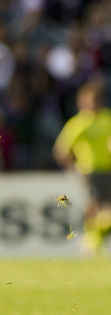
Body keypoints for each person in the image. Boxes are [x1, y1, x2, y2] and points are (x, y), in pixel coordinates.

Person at [53, 77, 111, 254]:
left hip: (108, 169)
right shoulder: (78, 124)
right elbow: (61, 150)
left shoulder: (106, 119)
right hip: (90, 170)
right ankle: (93, 240)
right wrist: (73, 168)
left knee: (101, 208)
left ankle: (93, 238)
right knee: (96, 206)